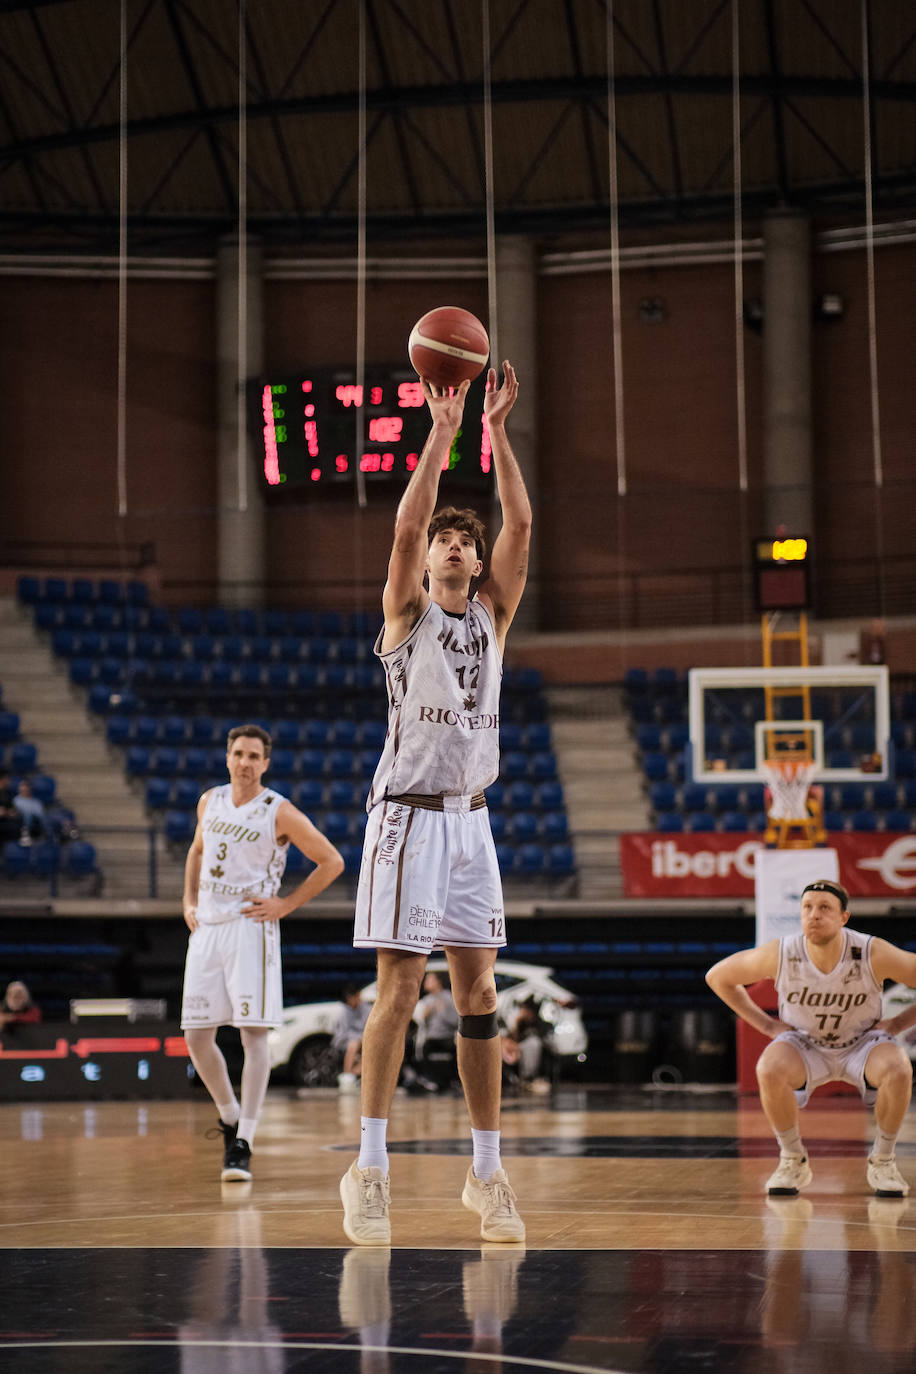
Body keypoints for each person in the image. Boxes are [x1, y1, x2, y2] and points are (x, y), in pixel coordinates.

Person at [340, 361, 531, 1246]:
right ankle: (370, 1167)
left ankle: (487, 1173)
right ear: (426, 560)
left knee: (480, 992)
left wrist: (495, 430)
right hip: (407, 819)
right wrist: (443, 431)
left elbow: (522, 520)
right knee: (400, 990)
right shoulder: (406, 613)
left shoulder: (492, 616)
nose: (454, 545)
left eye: (466, 540)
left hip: (471, 822)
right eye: (444, 541)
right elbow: (409, 517)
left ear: (481, 560)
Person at [181, 723, 344, 1182]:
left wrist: (286, 904)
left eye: (254, 755)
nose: (245, 762)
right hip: (208, 929)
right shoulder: (208, 801)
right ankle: (230, 1115)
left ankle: (244, 1140)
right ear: (228, 757)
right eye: (239, 753)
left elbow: (331, 861)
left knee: (254, 1036)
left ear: (265, 764)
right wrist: (188, 900)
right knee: (196, 1036)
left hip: (251, 928)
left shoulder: (279, 811)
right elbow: (196, 850)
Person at [706, 877, 916, 1198]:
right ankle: (793, 1159)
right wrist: (766, 1026)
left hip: (860, 1042)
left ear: (844, 916)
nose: (814, 914)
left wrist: (899, 1022)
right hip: (806, 1044)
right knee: (768, 1068)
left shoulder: (872, 952)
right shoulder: (782, 953)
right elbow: (718, 977)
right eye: (807, 907)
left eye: (824, 908)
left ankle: (883, 1161)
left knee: (899, 1068)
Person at [414, 969, 460, 1090]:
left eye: (430, 979)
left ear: (438, 982)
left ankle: (454, 1079)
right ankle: (428, 1079)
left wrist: (443, 1012)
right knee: (423, 1047)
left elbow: (455, 1021)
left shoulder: (448, 997)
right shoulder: (426, 1000)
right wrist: (424, 1016)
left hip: (446, 1036)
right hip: (431, 1038)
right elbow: (419, 1021)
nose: (426, 982)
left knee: (455, 1049)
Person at [332, 983, 370, 1092]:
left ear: (358, 996)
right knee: (353, 1045)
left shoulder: (368, 1010)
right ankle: (348, 1075)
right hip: (348, 1043)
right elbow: (342, 1033)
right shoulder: (345, 1011)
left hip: (366, 1043)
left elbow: (369, 1032)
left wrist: (360, 1039)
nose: (349, 1001)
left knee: (359, 1049)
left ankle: (348, 1075)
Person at [12, 778, 45, 842]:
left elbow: (41, 815)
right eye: (22, 786)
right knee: (27, 815)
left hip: (36, 823)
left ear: (30, 788)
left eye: (27, 786)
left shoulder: (37, 802)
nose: (25, 789)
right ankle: (25, 835)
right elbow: (14, 812)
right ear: (19, 788)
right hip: (20, 822)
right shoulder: (15, 800)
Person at [0, 770, 21, 842]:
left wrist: (10, 812)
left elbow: (13, 810)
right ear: (2, 779)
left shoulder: (8, 793)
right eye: (7, 778)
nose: (9, 781)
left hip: (7, 822)